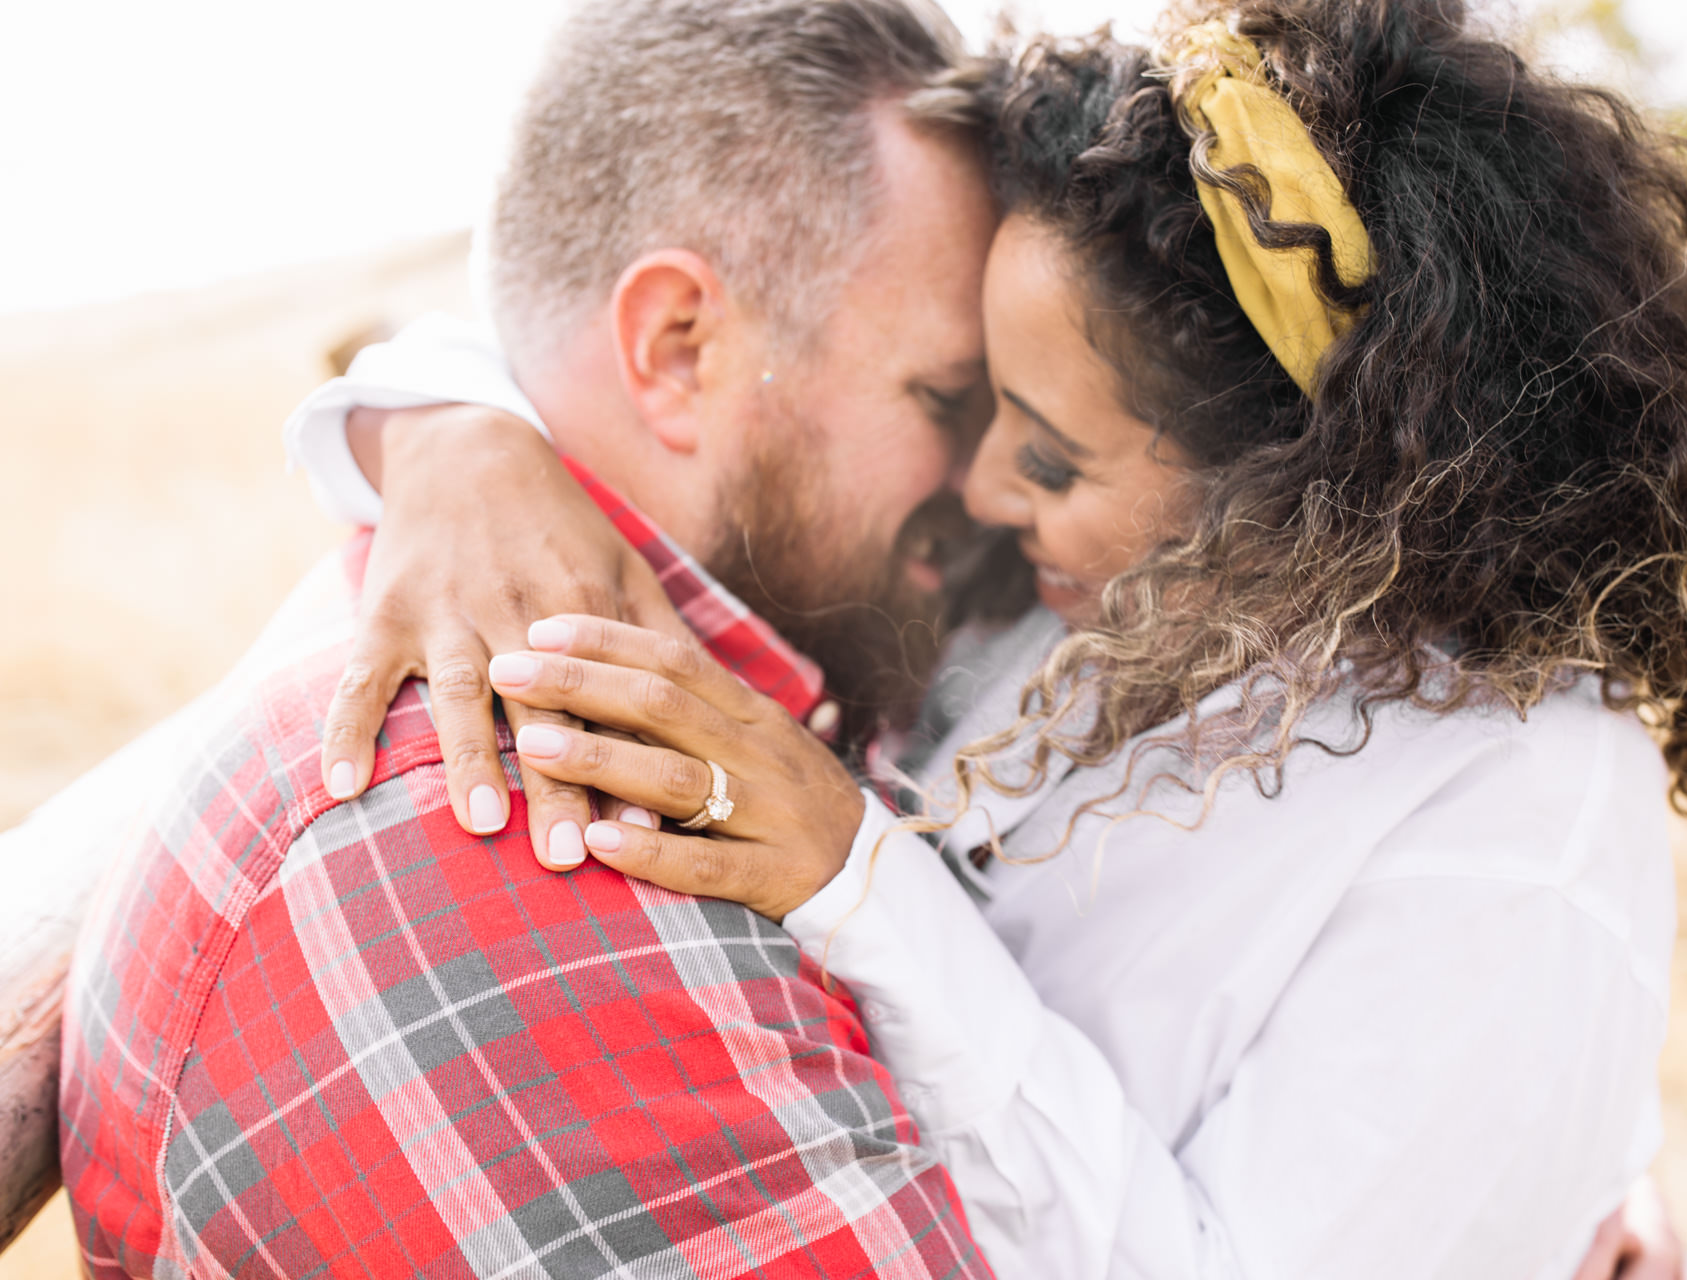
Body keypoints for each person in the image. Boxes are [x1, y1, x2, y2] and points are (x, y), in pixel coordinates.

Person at [296, 1, 1687, 1276]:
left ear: (1312, 503)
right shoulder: (1081, 592)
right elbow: (573, 337)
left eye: (1045, 454)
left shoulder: (1512, 822)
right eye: (978, 409)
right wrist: (452, 434)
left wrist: (861, 880)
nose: (977, 490)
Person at [55, 0, 1005, 1276]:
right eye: (947, 398)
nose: (993, 480)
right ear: (676, 349)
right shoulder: (527, 838)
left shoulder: (683, 669)